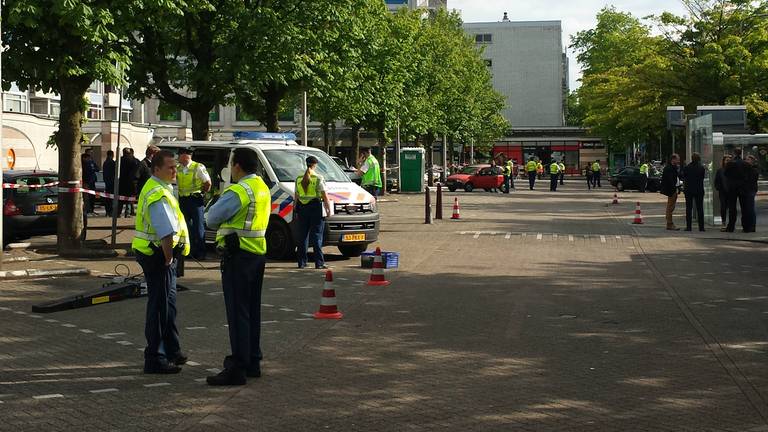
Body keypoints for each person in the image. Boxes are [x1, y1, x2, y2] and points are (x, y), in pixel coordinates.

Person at [205, 148, 271, 386]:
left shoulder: (239, 190)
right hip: (257, 255)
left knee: (237, 313)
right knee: (252, 311)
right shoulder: (262, 187)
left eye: (232, 164)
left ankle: (237, 368)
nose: (231, 168)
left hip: (238, 257)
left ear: (238, 166)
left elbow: (211, 218)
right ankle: (253, 361)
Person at [132, 150, 190, 374]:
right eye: (170, 167)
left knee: (168, 305)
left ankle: (172, 349)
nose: (175, 170)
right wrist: (168, 258)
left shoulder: (161, 188)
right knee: (159, 307)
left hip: (157, 255)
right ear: (156, 169)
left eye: (175, 167)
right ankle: (155, 357)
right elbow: (165, 231)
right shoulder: (158, 193)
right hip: (158, 256)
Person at [294, 156, 333, 269]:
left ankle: (302, 262)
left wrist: (295, 209)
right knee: (317, 235)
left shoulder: (298, 178)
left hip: (302, 208)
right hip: (315, 207)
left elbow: (296, 195)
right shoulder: (318, 177)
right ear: (315, 164)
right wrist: (328, 209)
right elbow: (324, 195)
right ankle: (319, 263)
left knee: (302, 236)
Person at [176, 148, 212, 260]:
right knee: (186, 227)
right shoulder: (178, 168)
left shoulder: (198, 167)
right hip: (183, 200)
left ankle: (201, 252)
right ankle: (190, 251)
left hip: (195, 200)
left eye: (179, 155)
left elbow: (207, 183)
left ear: (186, 156)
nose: (178, 157)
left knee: (198, 227)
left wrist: (202, 193)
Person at [724, 148, 749, 233]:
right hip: (742, 187)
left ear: (734, 153)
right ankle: (746, 227)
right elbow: (748, 175)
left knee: (732, 208)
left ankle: (731, 227)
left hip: (732, 187)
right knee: (744, 208)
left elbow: (726, 174)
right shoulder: (745, 164)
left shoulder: (730, 163)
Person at [682, 153, 706, 232]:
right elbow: (702, 177)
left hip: (689, 190)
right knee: (700, 208)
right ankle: (701, 227)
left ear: (692, 159)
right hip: (699, 190)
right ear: (699, 159)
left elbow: (684, 176)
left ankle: (689, 227)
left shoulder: (687, 167)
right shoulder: (701, 168)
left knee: (689, 208)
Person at [660, 154, 681, 230]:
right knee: (670, 207)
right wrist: (674, 188)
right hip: (671, 190)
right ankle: (669, 223)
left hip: (673, 189)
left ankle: (669, 223)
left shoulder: (672, 167)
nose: (678, 161)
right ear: (673, 159)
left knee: (671, 207)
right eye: (677, 159)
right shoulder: (669, 168)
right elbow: (670, 180)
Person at [118, 148, 138, 218]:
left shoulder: (119, 160)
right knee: (129, 199)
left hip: (121, 182)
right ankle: (128, 213)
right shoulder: (133, 161)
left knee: (120, 199)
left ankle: (119, 213)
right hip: (129, 183)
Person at [714, 155, 732, 231]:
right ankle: (723, 221)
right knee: (723, 206)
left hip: (731, 191)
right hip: (722, 191)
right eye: (726, 160)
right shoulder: (720, 170)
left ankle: (730, 223)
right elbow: (716, 181)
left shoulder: (733, 170)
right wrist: (718, 188)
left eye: (729, 160)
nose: (727, 161)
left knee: (731, 207)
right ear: (723, 161)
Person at [82, 148, 99, 215]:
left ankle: (91, 210)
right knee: (86, 197)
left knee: (92, 197)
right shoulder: (83, 163)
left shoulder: (92, 161)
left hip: (92, 181)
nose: (91, 154)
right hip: (86, 182)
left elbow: (97, 168)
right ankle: (87, 210)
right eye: (90, 153)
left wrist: (93, 169)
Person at [744, 155, 759, 232]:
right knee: (747, 208)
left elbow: (750, 180)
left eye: (748, 160)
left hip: (750, 190)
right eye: (746, 159)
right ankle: (748, 225)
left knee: (750, 208)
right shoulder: (746, 169)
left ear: (752, 161)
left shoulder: (753, 170)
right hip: (747, 190)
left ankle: (752, 226)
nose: (746, 161)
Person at [103, 150, 115, 217]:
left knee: (107, 198)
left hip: (107, 182)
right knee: (111, 198)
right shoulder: (112, 162)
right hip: (112, 182)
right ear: (112, 155)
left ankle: (107, 211)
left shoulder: (105, 162)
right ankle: (110, 211)